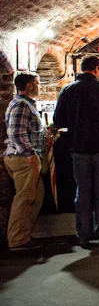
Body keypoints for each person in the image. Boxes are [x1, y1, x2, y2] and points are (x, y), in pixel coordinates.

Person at [54, 56, 99, 247]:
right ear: (97, 69)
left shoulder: (67, 90)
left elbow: (58, 120)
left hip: (78, 147)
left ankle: (83, 234)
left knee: (82, 191)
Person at [3, 73, 46, 251]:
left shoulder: (24, 104)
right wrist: (30, 155)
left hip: (24, 157)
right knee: (24, 198)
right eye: (37, 83)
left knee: (36, 195)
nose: (39, 87)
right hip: (23, 159)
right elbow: (16, 134)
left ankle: (24, 235)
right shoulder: (22, 105)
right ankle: (17, 239)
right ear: (29, 86)